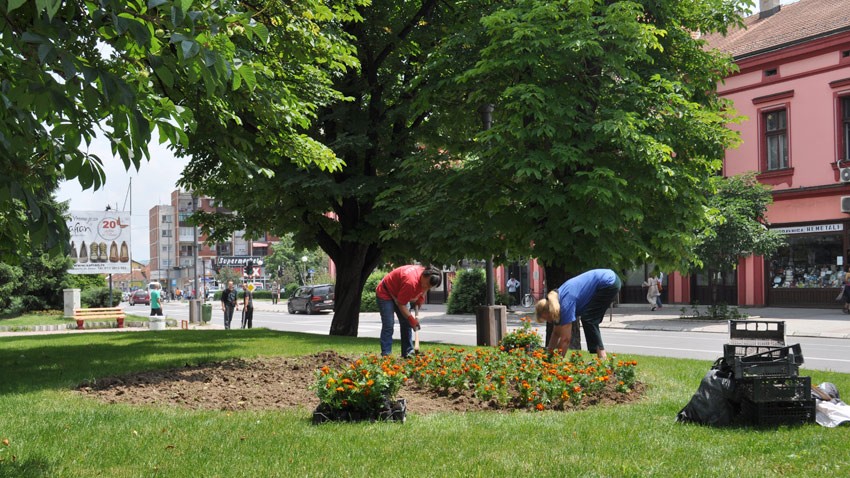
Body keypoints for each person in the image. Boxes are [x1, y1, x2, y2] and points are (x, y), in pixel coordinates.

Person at [535, 269, 621, 360]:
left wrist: (556, 362)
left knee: (589, 319)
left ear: (549, 311)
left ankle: (602, 357)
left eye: (547, 318)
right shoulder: (555, 301)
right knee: (589, 319)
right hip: (608, 279)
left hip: (609, 282)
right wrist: (548, 356)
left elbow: (565, 339)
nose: (549, 321)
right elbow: (556, 333)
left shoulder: (565, 305)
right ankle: (602, 356)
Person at [376, 265, 442, 357]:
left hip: (401, 291)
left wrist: (421, 298)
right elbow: (401, 304)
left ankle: (408, 352)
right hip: (386, 292)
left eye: (429, 287)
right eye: (426, 284)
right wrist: (412, 320)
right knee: (389, 324)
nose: (426, 287)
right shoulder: (411, 282)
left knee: (406, 323)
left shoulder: (426, 274)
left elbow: (424, 288)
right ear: (424, 275)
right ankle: (386, 354)